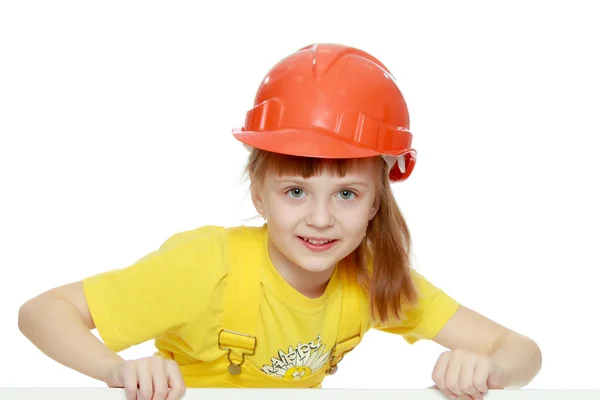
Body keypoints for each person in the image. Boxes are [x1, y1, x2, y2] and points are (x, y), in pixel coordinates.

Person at [18, 43, 542, 400]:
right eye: (296, 190)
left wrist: (488, 369)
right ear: (259, 195)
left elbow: (521, 350)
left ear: (376, 203)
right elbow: (42, 311)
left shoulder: (374, 278)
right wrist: (117, 370)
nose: (320, 218)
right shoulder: (205, 267)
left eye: (346, 193)